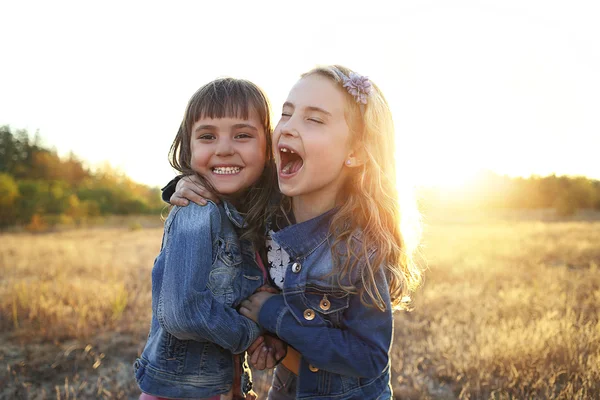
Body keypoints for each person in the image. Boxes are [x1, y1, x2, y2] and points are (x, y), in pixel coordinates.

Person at [168, 65, 423, 399]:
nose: (288, 128)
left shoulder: (360, 245)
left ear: (356, 152)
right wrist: (186, 182)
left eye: (313, 119)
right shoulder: (266, 209)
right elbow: (223, 175)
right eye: (286, 114)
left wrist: (273, 315)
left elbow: (368, 356)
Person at [134, 77, 284, 400]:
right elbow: (182, 312)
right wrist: (250, 332)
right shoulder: (197, 210)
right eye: (207, 136)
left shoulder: (252, 216)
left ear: (267, 146)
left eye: (242, 135)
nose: (225, 148)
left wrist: (269, 328)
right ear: (189, 149)